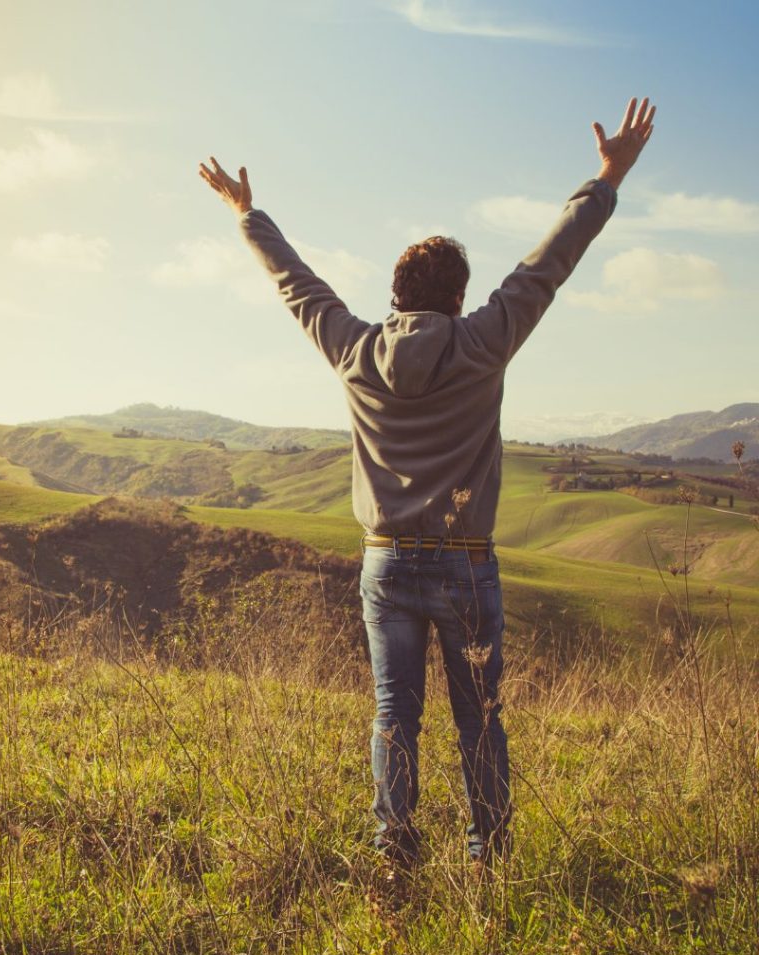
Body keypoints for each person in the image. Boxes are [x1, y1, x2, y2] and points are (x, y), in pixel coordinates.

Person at [199, 98, 656, 869]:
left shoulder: (354, 349)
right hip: (465, 563)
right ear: (455, 298)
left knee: (393, 714)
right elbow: (549, 264)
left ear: (396, 297)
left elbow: (296, 285)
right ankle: (489, 858)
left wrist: (248, 215)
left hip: (384, 560)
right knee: (478, 717)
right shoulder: (482, 342)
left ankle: (394, 854)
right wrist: (607, 178)